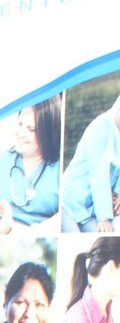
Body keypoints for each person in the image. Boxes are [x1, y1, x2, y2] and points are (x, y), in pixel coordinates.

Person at [0, 98, 62, 231]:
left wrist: (28, 231)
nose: (20, 133)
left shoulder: (60, 168)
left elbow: (64, 216)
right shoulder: (1, 161)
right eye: (20, 124)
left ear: (48, 132)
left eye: (31, 129)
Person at [61, 91, 120, 232]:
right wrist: (104, 218)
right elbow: (99, 174)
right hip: (68, 203)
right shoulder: (101, 125)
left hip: (89, 211)